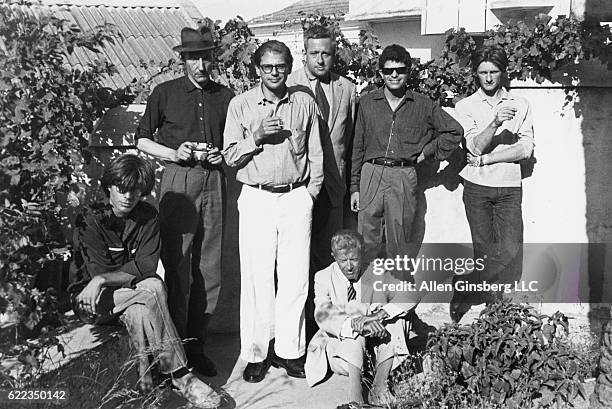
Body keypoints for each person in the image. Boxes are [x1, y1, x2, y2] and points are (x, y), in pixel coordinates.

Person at [69, 154, 221, 408]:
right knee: (153, 288)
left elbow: (147, 265)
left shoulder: (148, 216)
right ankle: (181, 376)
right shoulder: (90, 218)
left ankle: (146, 391)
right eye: (122, 189)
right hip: (93, 301)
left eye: (136, 190)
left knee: (141, 310)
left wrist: (103, 278)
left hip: (128, 297)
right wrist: (99, 279)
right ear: (109, 187)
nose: (128, 196)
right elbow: (104, 269)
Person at [223, 40, 323, 383]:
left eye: (281, 66)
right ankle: (255, 353)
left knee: (295, 278)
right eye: (268, 67)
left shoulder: (304, 102)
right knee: (257, 278)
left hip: (295, 196)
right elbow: (230, 157)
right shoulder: (241, 105)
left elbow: (317, 155)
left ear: (289, 66)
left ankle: (289, 351)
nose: (275, 72)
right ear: (257, 69)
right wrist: (256, 136)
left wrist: (310, 194)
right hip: (257, 197)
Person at [135, 26, 234, 376]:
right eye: (193, 57)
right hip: (179, 182)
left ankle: (197, 347)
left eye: (206, 57)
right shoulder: (164, 92)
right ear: (183, 59)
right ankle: (172, 353)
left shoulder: (226, 95)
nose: (200, 65)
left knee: (209, 271)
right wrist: (175, 153)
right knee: (177, 269)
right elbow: (142, 141)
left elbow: (237, 142)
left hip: (215, 181)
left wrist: (223, 154)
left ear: (213, 58)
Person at [350, 44, 463, 262]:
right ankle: (369, 292)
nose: (394, 75)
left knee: (400, 238)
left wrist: (427, 152)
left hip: (403, 175)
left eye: (400, 70)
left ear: (408, 71)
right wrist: (355, 187)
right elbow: (357, 147)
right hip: (370, 173)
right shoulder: (366, 103)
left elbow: (454, 131)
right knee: (367, 238)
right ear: (381, 73)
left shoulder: (423, 105)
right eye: (389, 70)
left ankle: (397, 289)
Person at [450, 46, 534, 323]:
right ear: (475, 73)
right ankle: (493, 311)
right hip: (476, 188)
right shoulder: (465, 106)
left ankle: (463, 285)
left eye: (494, 72)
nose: (488, 78)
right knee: (484, 251)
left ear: (503, 72)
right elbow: (473, 146)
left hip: (509, 186)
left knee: (509, 249)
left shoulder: (520, 103)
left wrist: (488, 159)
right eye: (483, 72)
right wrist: (495, 121)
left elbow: (525, 149)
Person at [305, 230, 417, 406]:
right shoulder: (323, 277)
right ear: (333, 256)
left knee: (398, 319)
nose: (349, 266)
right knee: (353, 319)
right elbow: (322, 313)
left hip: (378, 352)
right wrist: (359, 325)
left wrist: (378, 316)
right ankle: (355, 396)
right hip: (342, 354)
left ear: (363, 254)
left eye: (354, 259)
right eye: (343, 260)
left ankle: (379, 387)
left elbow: (411, 293)